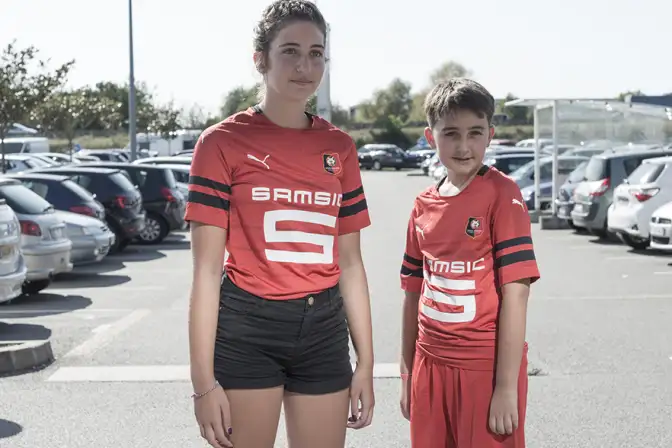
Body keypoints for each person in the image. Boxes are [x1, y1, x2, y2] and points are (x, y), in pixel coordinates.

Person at [184, 1, 375, 447]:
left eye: (316, 53)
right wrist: (202, 382)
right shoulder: (220, 144)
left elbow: (351, 264)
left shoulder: (340, 147)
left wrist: (365, 362)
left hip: (324, 326)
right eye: (290, 51)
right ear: (260, 59)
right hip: (247, 326)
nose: (305, 65)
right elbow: (207, 271)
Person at [398, 78, 541, 448]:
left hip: (483, 366)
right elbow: (413, 292)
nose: (464, 146)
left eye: (475, 133)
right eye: (451, 134)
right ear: (431, 138)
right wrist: (407, 372)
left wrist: (506, 386)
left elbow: (516, 295)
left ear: (490, 135)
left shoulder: (502, 194)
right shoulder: (421, 205)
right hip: (430, 363)